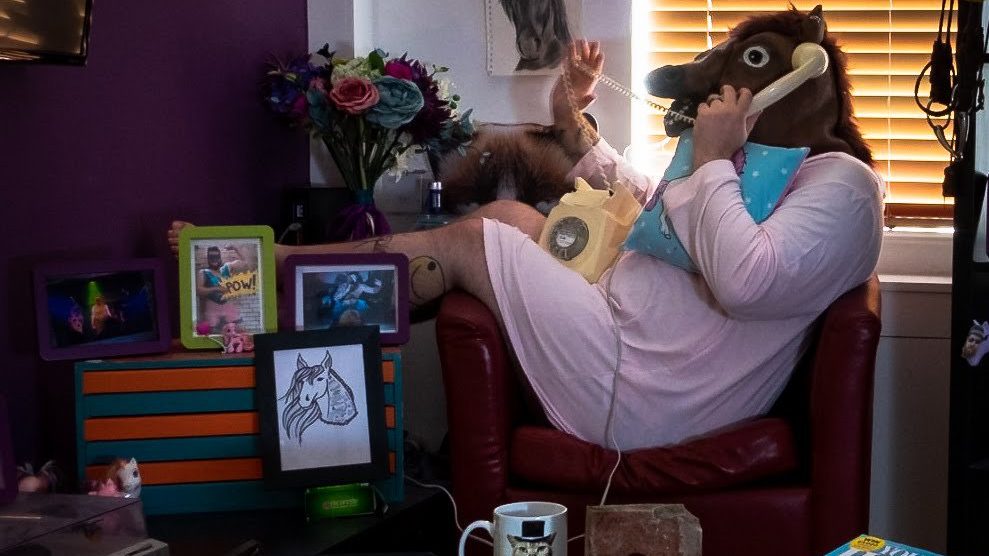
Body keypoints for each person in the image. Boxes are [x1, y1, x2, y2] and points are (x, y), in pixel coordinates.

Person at [170, 37, 884, 451]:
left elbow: (746, 279)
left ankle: (272, 283)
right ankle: (280, 278)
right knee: (512, 218)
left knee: (476, 239)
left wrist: (713, 158)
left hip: (646, 384)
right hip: (624, 331)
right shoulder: (760, 169)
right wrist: (570, 117)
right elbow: (655, 211)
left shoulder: (843, 186)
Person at [197, 244, 253, 334]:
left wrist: (235, 248)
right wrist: (217, 289)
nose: (214, 260)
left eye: (216, 256)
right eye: (211, 257)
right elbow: (199, 290)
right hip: (212, 312)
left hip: (229, 310)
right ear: (208, 258)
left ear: (220, 257)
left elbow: (245, 263)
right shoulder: (203, 272)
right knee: (213, 337)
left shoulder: (227, 268)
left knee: (237, 335)